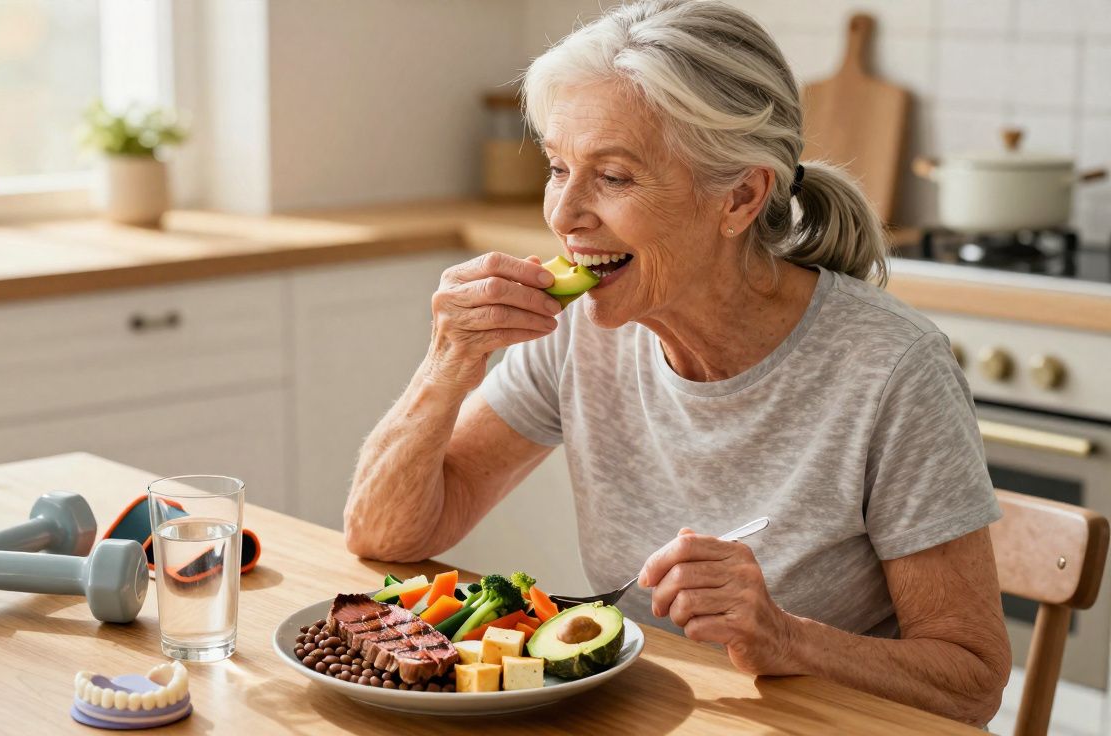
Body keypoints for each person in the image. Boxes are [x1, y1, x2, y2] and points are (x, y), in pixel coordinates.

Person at [343, 0, 1009, 725]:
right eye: (559, 167)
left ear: (740, 197)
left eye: (615, 178)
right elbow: (385, 535)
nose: (564, 215)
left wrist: (789, 639)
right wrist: (447, 363)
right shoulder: (580, 332)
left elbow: (972, 681)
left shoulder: (890, 369)